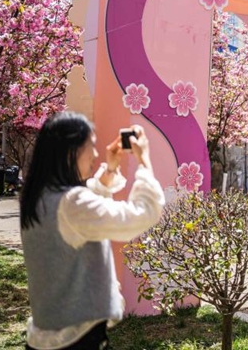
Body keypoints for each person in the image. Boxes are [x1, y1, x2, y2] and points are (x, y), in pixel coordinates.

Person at [19, 112, 165, 350]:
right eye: (91, 147)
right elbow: (140, 214)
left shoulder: (39, 199)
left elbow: (85, 221)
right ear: (71, 151)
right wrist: (145, 162)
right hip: (78, 339)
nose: (96, 155)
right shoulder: (72, 204)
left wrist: (110, 171)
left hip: (45, 337)